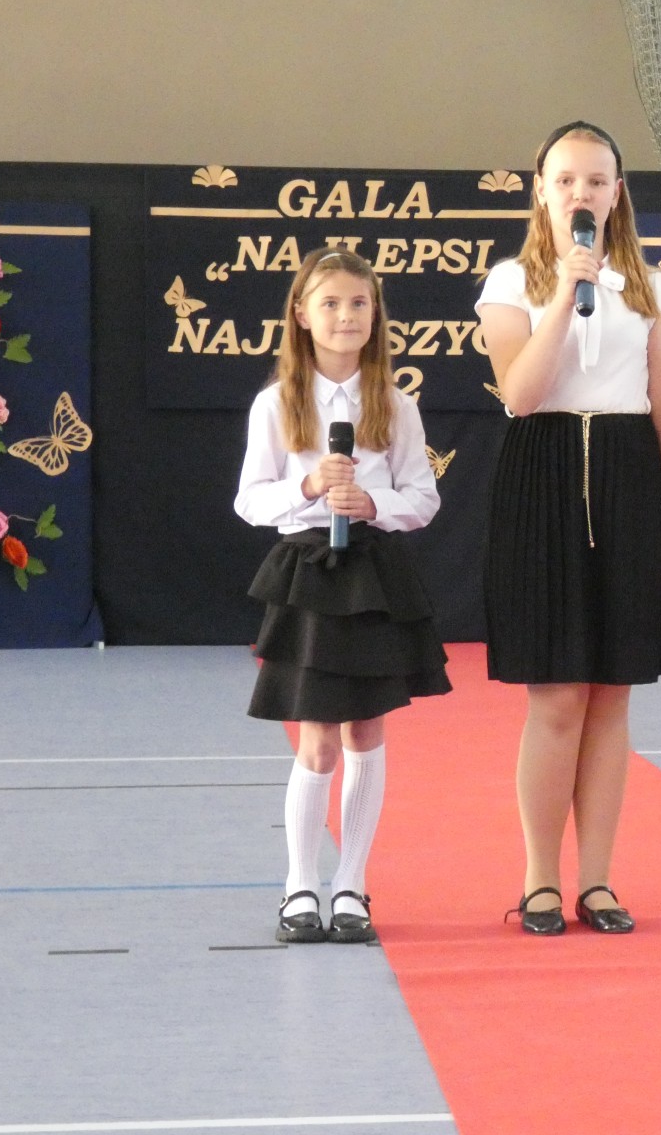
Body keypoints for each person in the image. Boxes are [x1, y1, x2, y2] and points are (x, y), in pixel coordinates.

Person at [478, 121, 661, 935]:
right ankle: (540, 878)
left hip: (630, 484)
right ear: (541, 189)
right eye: (566, 179)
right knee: (559, 696)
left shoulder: (652, 291)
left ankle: (597, 881)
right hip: (541, 483)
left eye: (597, 181)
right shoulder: (510, 284)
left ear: (617, 194)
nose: (582, 193)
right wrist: (567, 299)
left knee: (611, 697)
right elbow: (521, 395)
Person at [235, 246, 450, 945]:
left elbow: (423, 497)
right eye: (329, 303)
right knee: (318, 739)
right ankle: (300, 884)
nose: (345, 316)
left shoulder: (396, 404)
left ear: (376, 314)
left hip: (372, 575)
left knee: (366, 730)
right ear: (301, 314)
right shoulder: (277, 403)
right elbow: (249, 500)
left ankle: (352, 883)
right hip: (309, 573)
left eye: (359, 303)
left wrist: (373, 503)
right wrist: (307, 487)